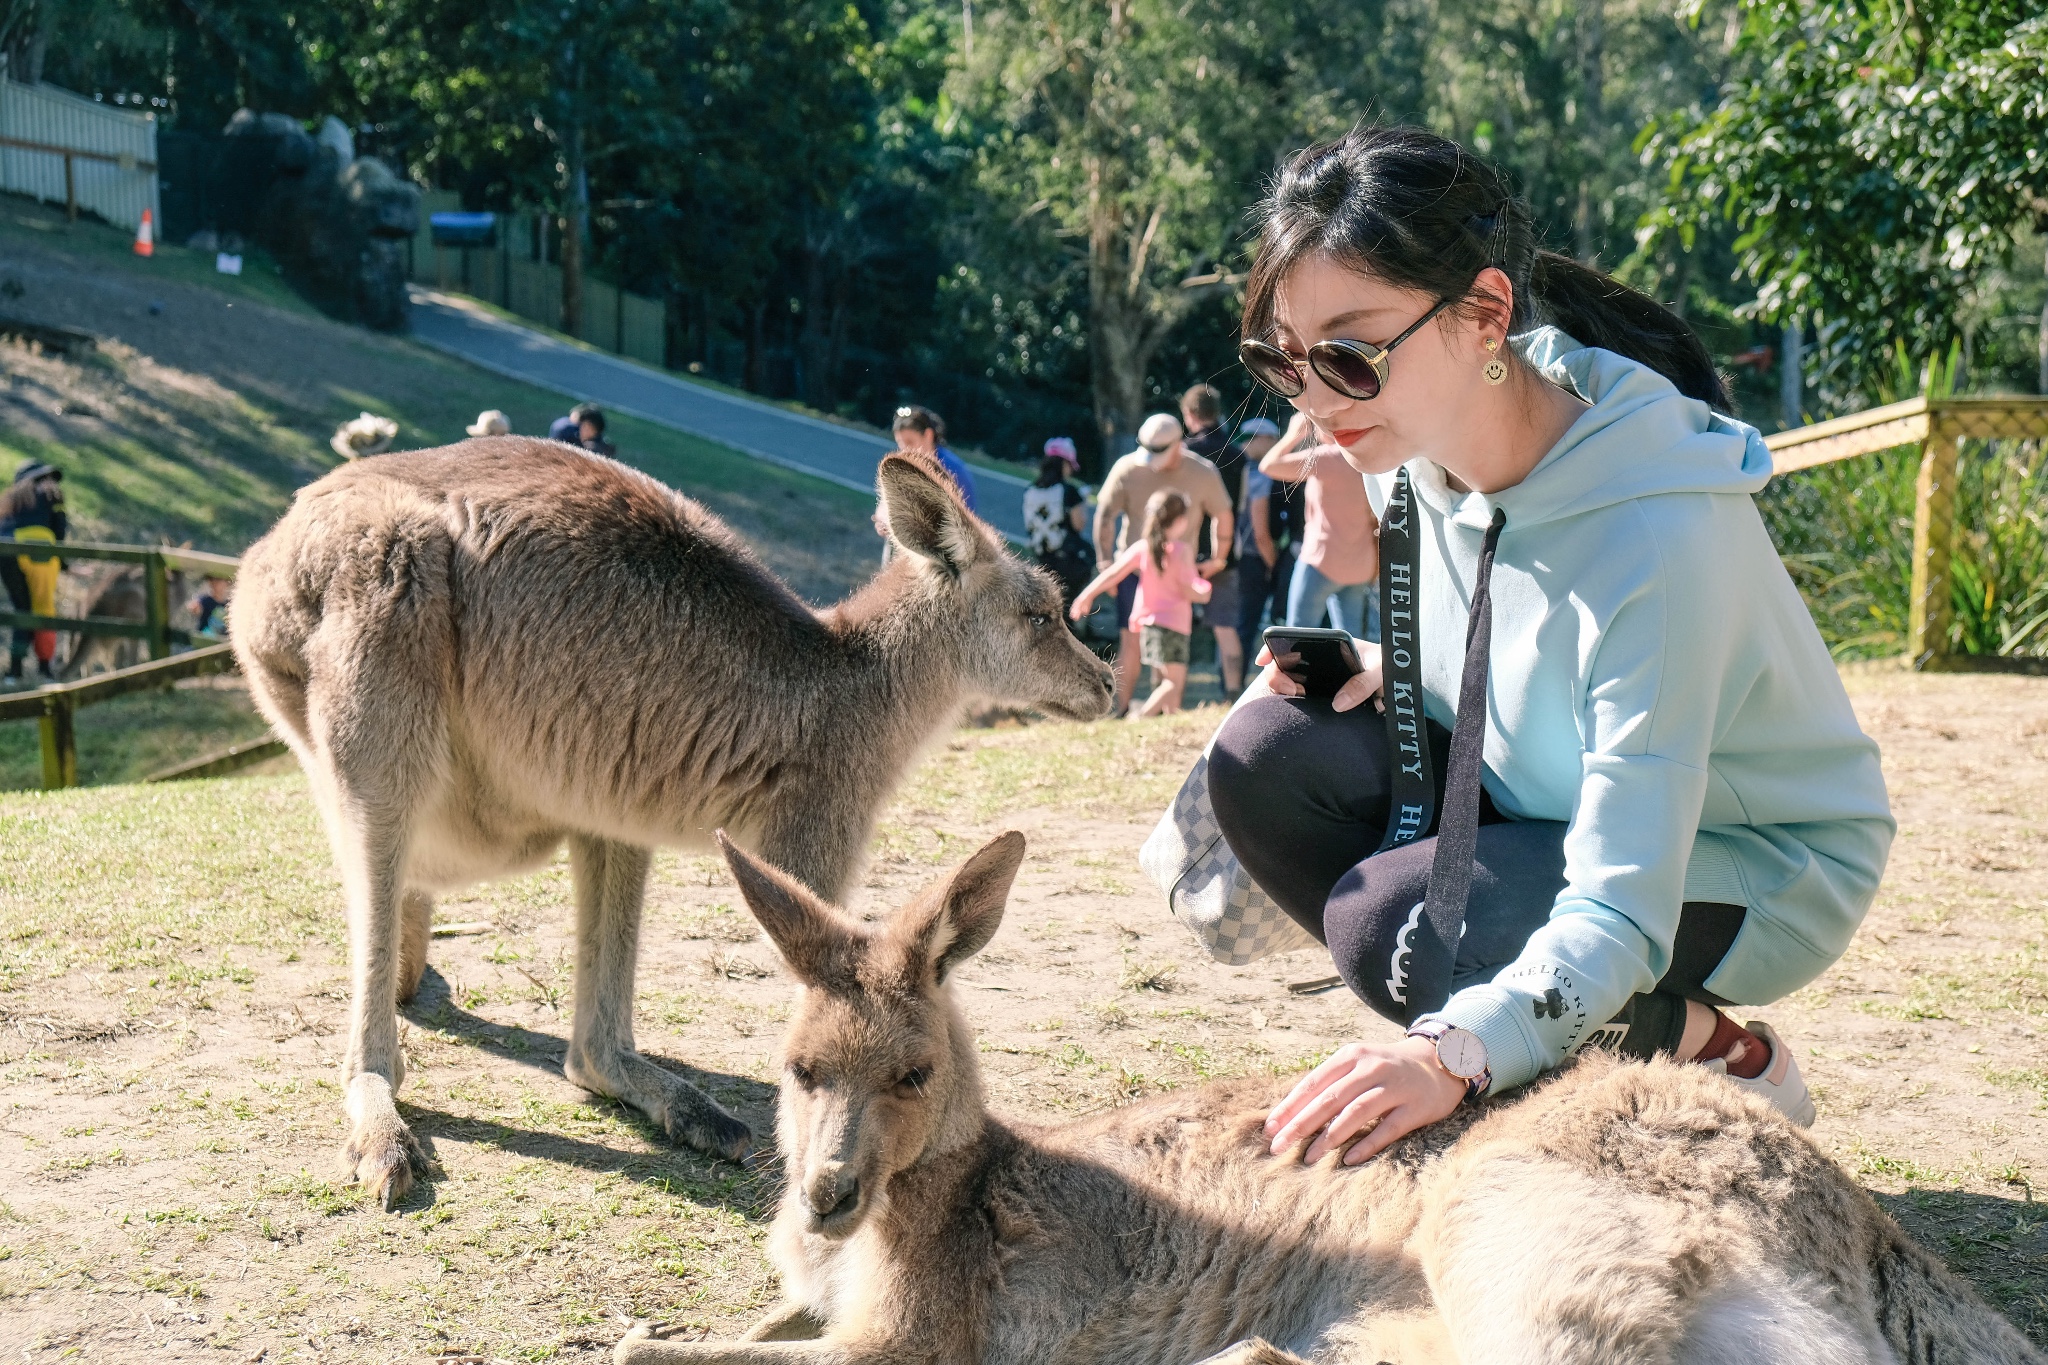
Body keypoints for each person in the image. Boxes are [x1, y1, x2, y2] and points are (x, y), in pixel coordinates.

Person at [1207, 125, 1893, 1169]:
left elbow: (1618, 898)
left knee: (1390, 925)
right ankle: (1562, 1031)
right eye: (1282, 359)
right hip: (1545, 795)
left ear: (1483, 312)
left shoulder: (1654, 541)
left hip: (1746, 865)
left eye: (1348, 355)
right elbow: (1511, 614)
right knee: (1268, 756)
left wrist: (1443, 1056)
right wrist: (1398, 667)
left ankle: (1711, 1047)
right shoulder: (1409, 447)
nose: (1311, 400)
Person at [1092, 414, 1232, 713]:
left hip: (1177, 570)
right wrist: (1105, 563)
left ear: (1178, 444)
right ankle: (1120, 709)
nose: (1152, 457)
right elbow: (1105, 514)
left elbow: (1223, 514)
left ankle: (1164, 712)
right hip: (1134, 568)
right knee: (1130, 641)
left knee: (1166, 646)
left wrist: (1218, 558)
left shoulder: (1202, 471)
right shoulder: (1128, 467)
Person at [1069, 489, 1209, 717]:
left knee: (1163, 677)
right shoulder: (1181, 551)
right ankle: (1142, 715)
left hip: (1149, 625)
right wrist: (1205, 590)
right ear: (1181, 520)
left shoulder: (1143, 548)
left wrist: (1086, 595)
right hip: (1174, 625)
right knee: (1174, 682)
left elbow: (1113, 573)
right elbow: (1190, 587)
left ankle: (1170, 721)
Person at [1264, 411, 1381, 640]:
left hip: (1321, 560)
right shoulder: (1366, 458)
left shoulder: (1325, 458)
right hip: (1360, 564)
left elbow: (1269, 466)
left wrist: (1292, 435)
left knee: (1297, 635)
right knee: (1351, 639)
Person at [1179, 384, 1248, 695]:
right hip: (1224, 553)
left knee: (1171, 625)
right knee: (1225, 627)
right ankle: (1233, 691)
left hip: (1182, 550)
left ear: (1190, 414)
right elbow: (1241, 506)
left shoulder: (1181, 454)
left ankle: (1168, 692)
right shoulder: (1238, 455)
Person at [876, 405, 978, 560]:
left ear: (928, 435)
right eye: (900, 443)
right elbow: (886, 502)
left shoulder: (954, 471)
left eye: (910, 442)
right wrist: (882, 518)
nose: (904, 449)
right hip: (899, 550)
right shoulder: (903, 463)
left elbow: (966, 523)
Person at [1233, 417, 1298, 643]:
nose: (1245, 445)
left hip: (1235, 558)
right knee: (1246, 626)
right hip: (1255, 560)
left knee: (1236, 626)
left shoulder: (1235, 469)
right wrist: (1275, 566)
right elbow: (1260, 534)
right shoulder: (1260, 476)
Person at [0, 461, 66, 682]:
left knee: (22, 609)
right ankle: (45, 669)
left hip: (7, 552)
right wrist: (64, 563)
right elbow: (59, 531)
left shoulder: (10, 498)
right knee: (44, 609)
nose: (50, 482)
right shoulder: (51, 494)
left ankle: (15, 671)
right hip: (39, 554)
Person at [1022, 438, 1094, 616]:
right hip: (1068, 560)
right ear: (1064, 464)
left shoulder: (1031, 490)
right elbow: (1078, 525)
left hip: (1041, 558)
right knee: (1066, 609)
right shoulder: (1069, 491)